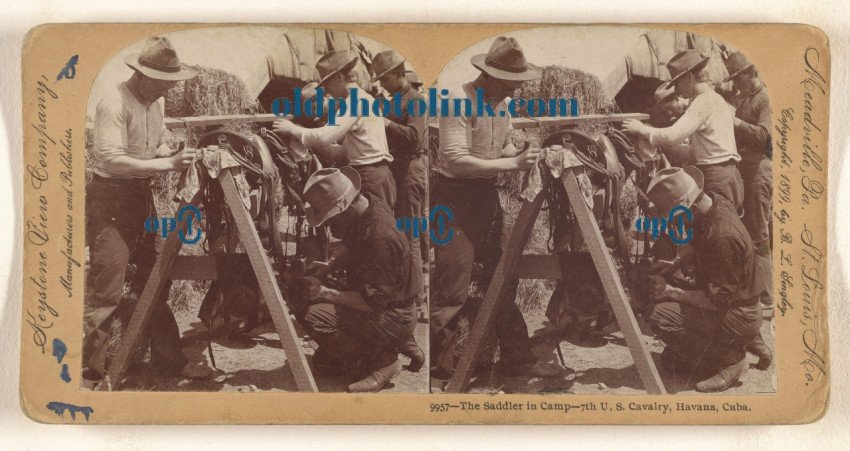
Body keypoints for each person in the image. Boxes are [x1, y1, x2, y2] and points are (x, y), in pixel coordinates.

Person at [83, 36, 211, 385]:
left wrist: (173, 151)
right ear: (140, 75)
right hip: (111, 199)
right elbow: (111, 159)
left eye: (172, 81)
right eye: (162, 81)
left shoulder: (157, 102)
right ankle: (89, 376)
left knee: (156, 276)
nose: (168, 88)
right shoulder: (114, 102)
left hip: (141, 196)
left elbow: (158, 144)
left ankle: (169, 360)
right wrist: (168, 164)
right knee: (108, 290)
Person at [429, 36, 542, 390]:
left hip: (485, 194)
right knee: (453, 283)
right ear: (489, 75)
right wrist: (512, 164)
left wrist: (517, 152)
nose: (515, 89)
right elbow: (456, 160)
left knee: (502, 274)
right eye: (510, 81)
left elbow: (501, 145)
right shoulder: (457, 102)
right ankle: (441, 371)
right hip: (452, 197)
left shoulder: (501, 104)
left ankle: (516, 357)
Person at [643, 166, 771, 392]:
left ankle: (732, 360)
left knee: (660, 316)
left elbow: (717, 301)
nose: (672, 224)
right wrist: (675, 263)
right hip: (741, 298)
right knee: (672, 361)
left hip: (738, 311)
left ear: (689, 209)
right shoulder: (712, 203)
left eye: (674, 217)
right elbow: (696, 240)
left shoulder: (721, 237)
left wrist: (670, 291)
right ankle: (747, 339)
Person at [294, 167, 421, 392]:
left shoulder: (380, 238)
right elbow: (351, 245)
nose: (329, 226)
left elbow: (370, 302)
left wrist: (323, 292)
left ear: (347, 208)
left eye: (331, 219)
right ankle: (399, 341)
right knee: (324, 363)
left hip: (392, 312)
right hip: (391, 300)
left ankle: (384, 361)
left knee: (312, 315)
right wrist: (325, 270)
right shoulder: (367, 205)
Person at [623, 49, 744, 215]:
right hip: (726, 175)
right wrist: (660, 142)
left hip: (716, 176)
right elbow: (693, 154)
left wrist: (641, 129)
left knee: (718, 225)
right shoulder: (714, 99)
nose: (677, 89)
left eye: (678, 82)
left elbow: (671, 136)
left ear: (690, 77)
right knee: (723, 223)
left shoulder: (703, 102)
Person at [273, 50, 396, 208]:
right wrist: (311, 142)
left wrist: (293, 129)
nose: (327, 91)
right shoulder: (363, 98)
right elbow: (344, 154)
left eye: (327, 84)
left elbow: (324, 137)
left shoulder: (355, 101)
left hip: (370, 177)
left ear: (339, 77)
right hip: (375, 174)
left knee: (375, 221)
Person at [372, 50, 429, 368]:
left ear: (398, 74)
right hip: (395, 169)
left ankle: (416, 301)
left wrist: (384, 122)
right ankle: (405, 295)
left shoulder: (416, 101)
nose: (382, 84)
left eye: (385, 79)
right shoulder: (389, 100)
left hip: (410, 169)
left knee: (410, 235)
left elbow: (414, 136)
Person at [723, 51, 774, 316]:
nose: (734, 84)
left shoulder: (764, 98)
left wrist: (735, 121)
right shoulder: (745, 99)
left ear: (748, 73)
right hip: (746, 171)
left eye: (737, 78)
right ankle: (755, 290)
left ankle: (767, 297)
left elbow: (764, 135)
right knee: (749, 231)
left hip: (759, 171)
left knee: (758, 233)